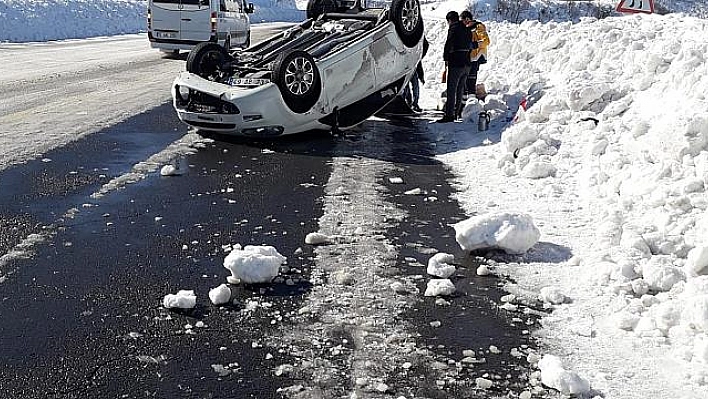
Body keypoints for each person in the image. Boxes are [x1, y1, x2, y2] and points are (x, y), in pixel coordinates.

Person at [437, 11, 471, 123]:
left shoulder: (454, 28)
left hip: (456, 63)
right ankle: (457, 114)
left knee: (452, 90)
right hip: (467, 63)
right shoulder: (467, 28)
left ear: (450, 20)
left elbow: (449, 43)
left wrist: (446, 58)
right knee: (460, 90)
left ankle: (449, 116)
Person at [460, 10, 490, 100]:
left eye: (463, 20)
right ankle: (465, 95)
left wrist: (474, 45)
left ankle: (471, 96)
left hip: (477, 56)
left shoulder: (478, 27)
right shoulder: (466, 28)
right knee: (466, 76)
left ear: (468, 19)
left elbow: (486, 41)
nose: (462, 23)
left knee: (471, 76)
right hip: (469, 57)